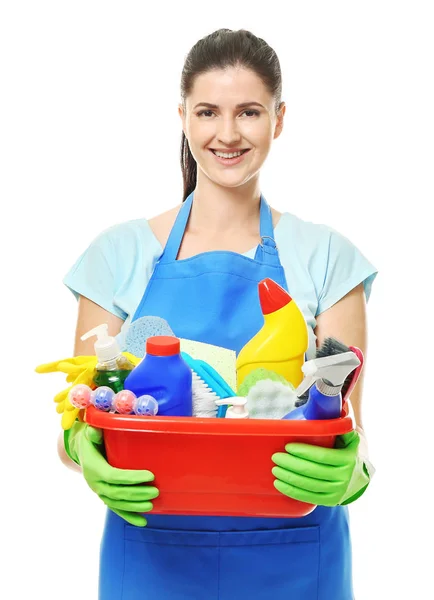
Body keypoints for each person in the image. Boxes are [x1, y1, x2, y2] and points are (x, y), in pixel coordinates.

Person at [59, 28, 377, 600]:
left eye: (249, 112)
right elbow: (82, 414)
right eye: (208, 111)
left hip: (297, 558)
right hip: (153, 559)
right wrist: (81, 445)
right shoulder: (120, 254)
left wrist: (352, 474)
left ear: (279, 119)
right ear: (182, 115)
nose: (227, 134)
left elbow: (350, 425)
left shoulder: (328, 257)